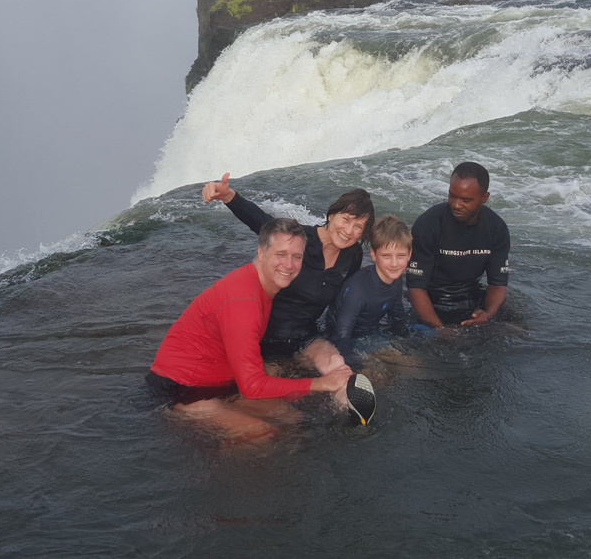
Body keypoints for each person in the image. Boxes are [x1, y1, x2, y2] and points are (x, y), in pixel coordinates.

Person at [146, 218, 355, 440]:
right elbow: (252, 386)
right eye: (281, 254)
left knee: (292, 419)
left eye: (297, 257)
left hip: (219, 383)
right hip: (180, 391)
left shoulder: (260, 284)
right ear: (261, 252)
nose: (289, 265)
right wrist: (322, 383)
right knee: (262, 434)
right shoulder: (244, 301)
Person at [201, 172, 373, 373]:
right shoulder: (299, 237)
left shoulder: (352, 255)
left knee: (338, 367)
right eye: (346, 219)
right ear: (331, 215)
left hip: (306, 338)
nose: (349, 230)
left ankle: (353, 403)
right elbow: (263, 222)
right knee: (271, 392)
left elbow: (343, 302)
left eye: (358, 226)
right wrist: (229, 196)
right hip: (265, 338)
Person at [406, 161, 511, 329]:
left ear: (484, 198)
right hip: (432, 301)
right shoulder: (428, 225)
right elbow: (415, 287)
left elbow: (498, 284)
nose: (456, 204)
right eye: (452, 196)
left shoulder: (496, 229)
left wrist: (488, 315)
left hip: (471, 298)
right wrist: (439, 330)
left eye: (466, 200)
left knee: (518, 333)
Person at [325, 215, 410, 364]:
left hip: (371, 333)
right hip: (343, 339)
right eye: (386, 256)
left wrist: (406, 343)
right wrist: (356, 365)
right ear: (373, 254)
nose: (395, 264)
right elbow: (341, 334)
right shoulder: (358, 289)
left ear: (410, 254)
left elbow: (397, 316)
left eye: (401, 256)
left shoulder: (395, 279)